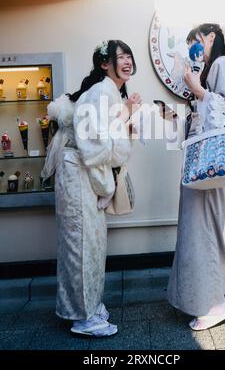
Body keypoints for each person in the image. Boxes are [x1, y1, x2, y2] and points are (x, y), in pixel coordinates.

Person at [41, 40, 141, 337]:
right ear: (104, 64)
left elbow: (103, 141)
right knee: (82, 243)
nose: (126, 61)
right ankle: (83, 316)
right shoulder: (100, 92)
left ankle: (90, 304)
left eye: (129, 56)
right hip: (78, 170)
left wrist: (127, 113)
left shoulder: (108, 92)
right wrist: (106, 186)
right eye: (120, 57)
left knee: (92, 241)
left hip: (83, 171)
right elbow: (94, 145)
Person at [167, 23, 225, 331]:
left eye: (196, 40)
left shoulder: (221, 63)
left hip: (207, 163)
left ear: (210, 37)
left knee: (199, 229)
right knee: (210, 229)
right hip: (210, 163)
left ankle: (211, 303)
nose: (195, 48)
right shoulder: (217, 66)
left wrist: (198, 90)